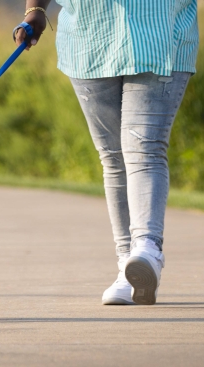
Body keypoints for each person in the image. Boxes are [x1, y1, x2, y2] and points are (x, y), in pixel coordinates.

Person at [15, 0, 199, 305]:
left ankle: (147, 249)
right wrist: (35, 11)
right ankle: (127, 264)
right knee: (114, 157)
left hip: (160, 32)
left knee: (144, 148)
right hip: (90, 36)